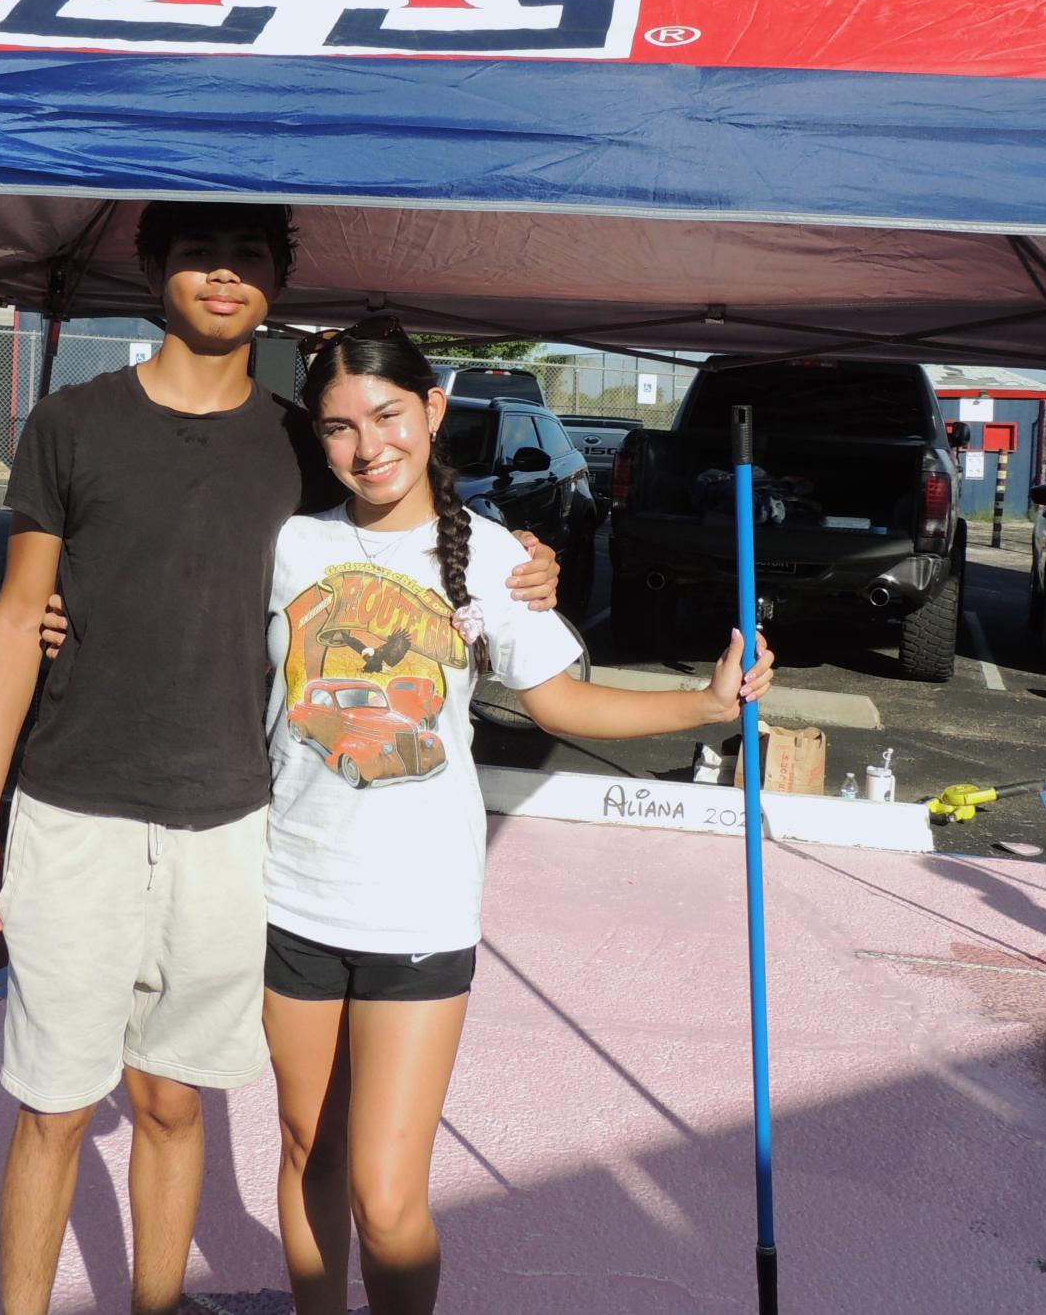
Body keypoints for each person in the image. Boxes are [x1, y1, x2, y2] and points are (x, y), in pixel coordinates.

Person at [0, 202, 562, 1315]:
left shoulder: (301, 442)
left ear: (278, 279)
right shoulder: (71, 422)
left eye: (248, 260)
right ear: (151, 269)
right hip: (71, 807)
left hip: (238, 825)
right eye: (196, 256)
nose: (223, 278)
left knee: (176, 1104)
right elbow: (13, 614)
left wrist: (527, 566)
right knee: (53, 1111)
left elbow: (406, 524)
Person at [263, 319, 773, 1315]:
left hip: (418, 913)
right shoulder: (284, 544)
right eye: (338, 427)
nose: (367, 446)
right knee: (305, 1151)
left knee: (386, 1191)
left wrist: (706, 708)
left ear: (433, 412)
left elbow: (563, 702)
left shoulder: (497, 557)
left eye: (387, 415)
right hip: (288, 893)